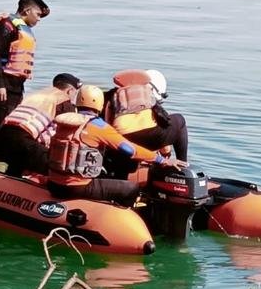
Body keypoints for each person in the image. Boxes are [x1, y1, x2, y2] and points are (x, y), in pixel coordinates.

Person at [47, 85, 187, 207]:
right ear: (100, 105)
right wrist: (162, 160)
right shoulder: (99, 127)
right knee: (131, 188)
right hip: (78, 187)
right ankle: (121, 215)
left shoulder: (62, 124)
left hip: (54, 185)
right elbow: (130, 149)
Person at [0, 73, 81, 176]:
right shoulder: (64, 102)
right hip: (23, 137)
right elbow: (62, 133)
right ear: (69, 91)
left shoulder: (37, 94)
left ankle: (11, 180)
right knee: (56, 164)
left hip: (3, 134)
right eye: (75, 94)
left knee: (17, 162)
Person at [0, 0, 48, 131]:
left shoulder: (22, 28)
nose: (39, 19)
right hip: (3, 86)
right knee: (2, 124)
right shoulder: (6, 25)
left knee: (11, 124)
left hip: (16, 88)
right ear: (27, 10)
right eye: (38, 14)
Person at [106, 69, 189, 161]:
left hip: (119, 142)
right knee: (179, 120)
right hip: (145, 138)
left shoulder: (113, 95)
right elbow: (165, 131)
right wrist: (166, 154)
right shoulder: (147, 95)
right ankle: (183, 165)